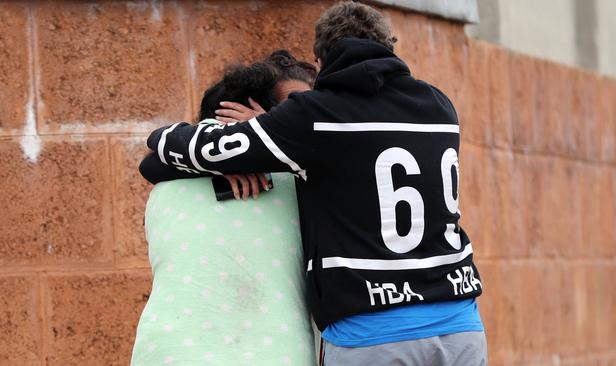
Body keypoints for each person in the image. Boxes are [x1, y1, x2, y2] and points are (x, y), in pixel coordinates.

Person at [140, 2, 486, 365]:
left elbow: (169, 151)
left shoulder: (314, 116)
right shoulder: (438, 104)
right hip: (461, 323)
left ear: (321, 59)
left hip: (375, 333)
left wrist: (261, 131)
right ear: (389, 46)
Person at [130, 51, 319, 366]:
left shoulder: (165, 180)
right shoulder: (300, 179)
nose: (309, 116)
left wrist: (221, 157)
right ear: (255, 110)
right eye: (295, 106)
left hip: (166, 351)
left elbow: (153, 158)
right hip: (273, 352)